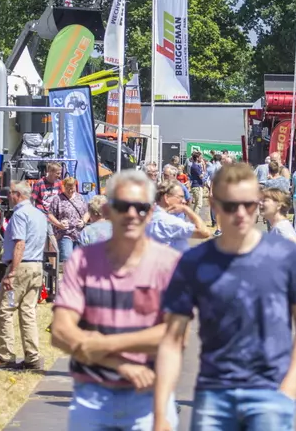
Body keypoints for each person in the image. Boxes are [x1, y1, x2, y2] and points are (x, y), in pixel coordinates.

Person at [153, 163, 296, 431]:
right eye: (231, 205)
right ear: (215, 205)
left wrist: (289, 389)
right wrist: (162, 410)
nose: (241, 213)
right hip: (214, 397)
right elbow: (172, 340)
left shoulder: (284, 256)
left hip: (270, 395)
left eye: (250, 205)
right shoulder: (194, 262)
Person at [51, 170, 181, 429]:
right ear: (108, 211)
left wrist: (160, 414)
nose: (132, 214)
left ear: (151, 212)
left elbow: (174, 338)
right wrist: (121, 363)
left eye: (141, 207)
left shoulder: (169, 264)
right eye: (123, 206)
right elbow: (60, 332)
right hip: (92, 398)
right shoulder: (83, 260)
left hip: (148, 399)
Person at [0, 181, 48, 369]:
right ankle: (32, 357)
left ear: (18, 195)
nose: (8, 196)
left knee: (4, 310)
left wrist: (12, 272)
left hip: (21, 267)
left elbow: (20, 244)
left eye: (10, 193)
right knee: (27, 312)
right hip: (36, 266)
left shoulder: (20, 215)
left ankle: (5, 356)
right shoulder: (39, 214)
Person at [149, 180, 211, 252]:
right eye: (180, 197)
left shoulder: (150, 214)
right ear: (166, 198)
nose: (183, 201)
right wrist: (187, 210)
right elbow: (204, 232)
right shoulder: (170, 222)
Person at [48, 177, 89, 265]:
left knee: (78, 261)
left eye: (72, 188)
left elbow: (87, 212)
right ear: (64, 186)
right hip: (64, 233)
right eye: (68, 188)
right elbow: (50, 215)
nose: (70, 190)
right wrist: (59, 224)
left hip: (78, 233)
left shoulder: (80, 197)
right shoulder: (57, 199)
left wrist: (84, 221)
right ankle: (68, 277)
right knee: (68, 259)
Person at [32, 162, 63, 270]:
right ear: (49, 172)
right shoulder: (39, 183)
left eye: (60, 173)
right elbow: (33, 200)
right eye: (57, 173)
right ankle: (54, 268)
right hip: (43, 214)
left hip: (55, 214)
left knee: (55, 239)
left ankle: (53, 264)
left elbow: (61, 199)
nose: (59, 176)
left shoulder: (59, 183)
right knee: (51, 239)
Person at [263, 188, 296, 254]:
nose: (260, 203)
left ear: (278, 205)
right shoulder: (278, 226)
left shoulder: (282, 228)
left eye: (265, 200)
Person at [189, 151, 205, 215]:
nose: (202, 158)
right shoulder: (195, 166)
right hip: (197, 186)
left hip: (197, 186)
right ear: (197, 158)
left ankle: (193, 219)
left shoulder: (196, 166)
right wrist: (204, 172)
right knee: (199, 204)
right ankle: (195, 220)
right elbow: (201, 176)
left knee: (196, 204)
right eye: (201, 157)